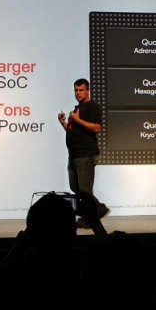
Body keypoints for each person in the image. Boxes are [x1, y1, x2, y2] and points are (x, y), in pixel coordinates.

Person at [58, 78, 109, 228]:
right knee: (75, 188)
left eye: (81, 90)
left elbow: (96, 128)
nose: (78, 93)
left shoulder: (92, 107)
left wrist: (77, 119)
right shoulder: (77, 109)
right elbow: (74, 131)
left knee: (85, 190)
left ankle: (89, 218)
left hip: (86, 154)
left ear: (88, 90)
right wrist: (64, 123)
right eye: (76, 90)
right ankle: (99, 209)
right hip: (74, 155)